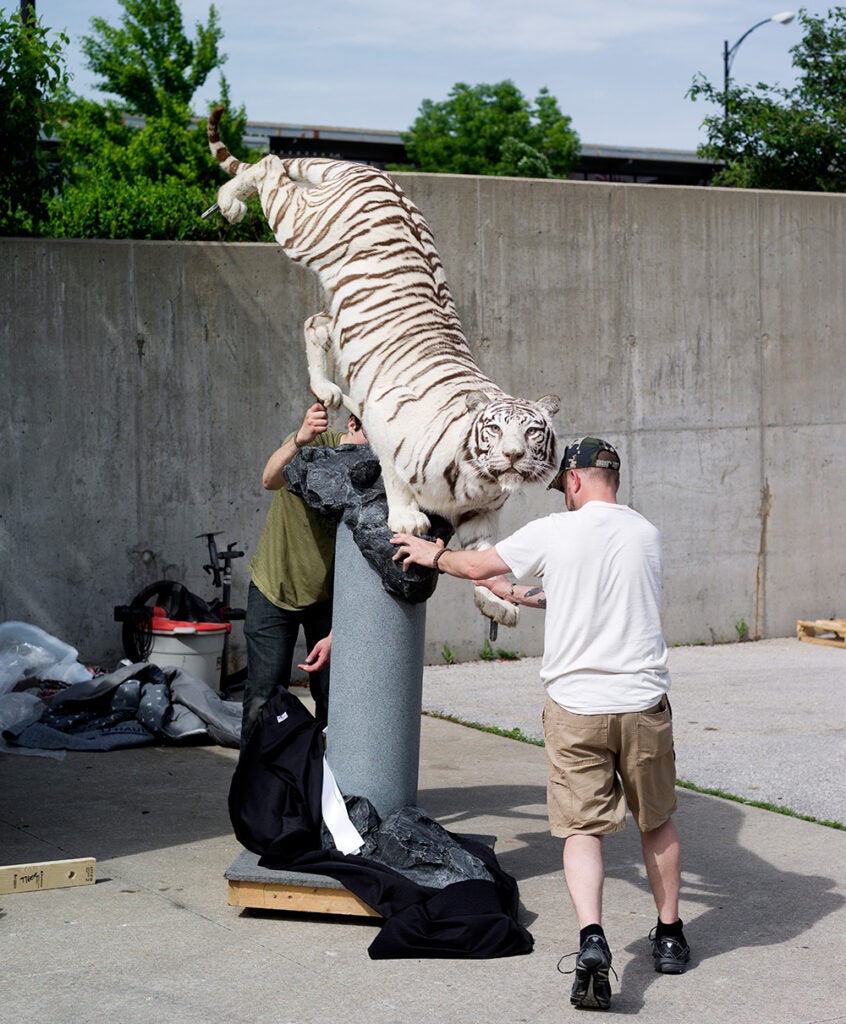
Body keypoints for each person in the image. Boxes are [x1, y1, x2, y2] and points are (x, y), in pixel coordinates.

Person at [391, 436, 689, 1010]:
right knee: (657, 823)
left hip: (577, 707)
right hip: (642, 702)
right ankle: (670, 937)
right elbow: (586, 596)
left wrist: (434, 555)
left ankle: (592, 939)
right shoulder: (646, 534)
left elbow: (476, 563)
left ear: (574, 481)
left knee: (583, 830)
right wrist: (519, 595)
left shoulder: (556, 530)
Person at [241, 402, 367, 746]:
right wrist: (299, 437)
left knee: (334, 699)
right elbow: (269, 479)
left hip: (329, 599)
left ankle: (327, 788)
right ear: (353, 423)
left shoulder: (376, 470)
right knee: (263, 696)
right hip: (274, 587)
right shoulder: (313, 444)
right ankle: (257, 787)